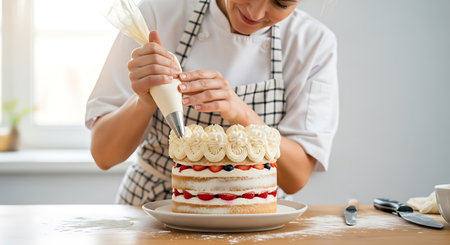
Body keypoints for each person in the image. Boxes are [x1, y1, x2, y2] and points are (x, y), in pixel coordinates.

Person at [86, 0, 339, 205]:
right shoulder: (157, 14)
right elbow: (104, 155)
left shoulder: (312, 43)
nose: (256, 12)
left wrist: (242, 114)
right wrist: (145, 100)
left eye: (281, 3)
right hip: (152, 210)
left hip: (255, 215)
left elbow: (296, 177)